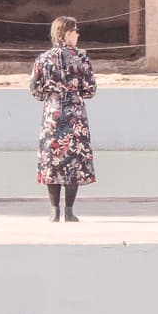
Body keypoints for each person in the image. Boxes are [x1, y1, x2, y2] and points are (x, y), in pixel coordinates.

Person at [29, 15, 97, 223]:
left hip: (52, 113)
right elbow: (90, 90)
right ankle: (69, 211)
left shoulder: (42, 59)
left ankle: (54, 211)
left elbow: (34, 89)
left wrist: (51, 97)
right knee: (73, 162)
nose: (78, 35)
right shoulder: (82, 58)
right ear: (67, 33)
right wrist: (74, 93)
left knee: (52, 160)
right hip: (75, 114)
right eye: (76, 31)